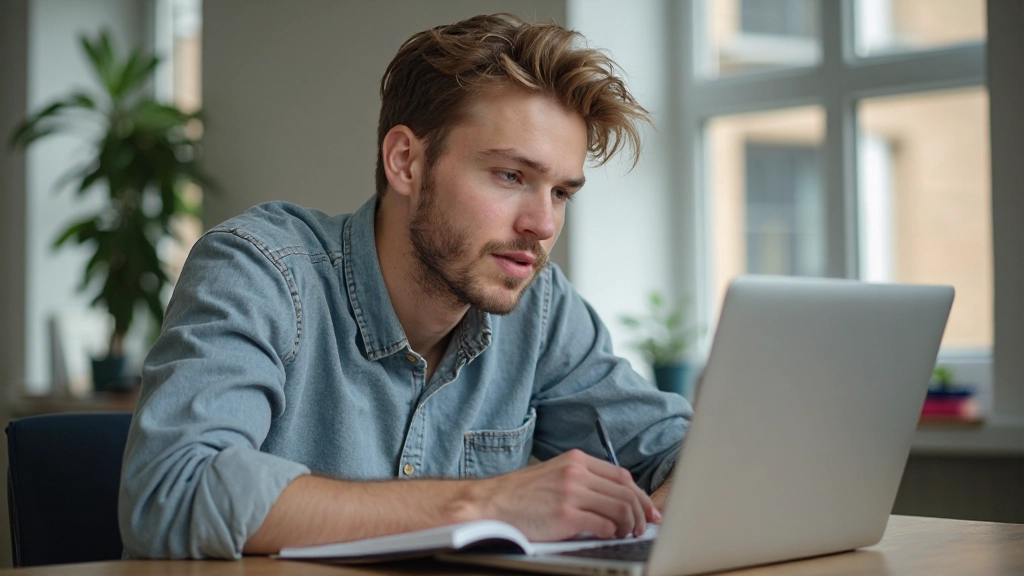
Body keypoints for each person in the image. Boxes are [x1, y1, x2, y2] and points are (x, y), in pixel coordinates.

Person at [119, 13, 691, 559]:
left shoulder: (540, 308)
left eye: (561, 192)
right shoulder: (261, 270)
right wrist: (485, 504)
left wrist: (679, 515)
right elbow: (173, 491)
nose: (542, 225)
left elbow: (687, 451)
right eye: (511, 176)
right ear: (405, 162)